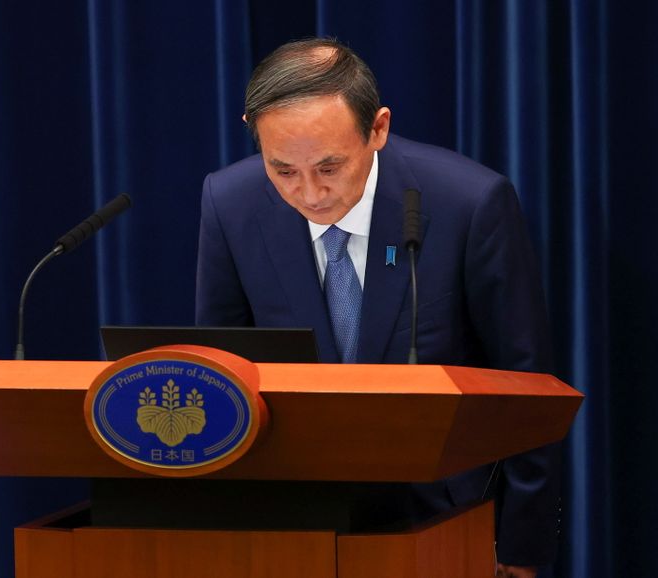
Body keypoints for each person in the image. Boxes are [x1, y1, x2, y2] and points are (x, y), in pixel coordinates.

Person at [195, 38, 559, 578]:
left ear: (378, 129)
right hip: (293, 529)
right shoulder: (230, 203)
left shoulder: (469, 203)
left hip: (443, 523)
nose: (311, 193)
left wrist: (519, 549)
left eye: (329, 166)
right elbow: (221, 373)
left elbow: (529, 392)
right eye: (283, 170)